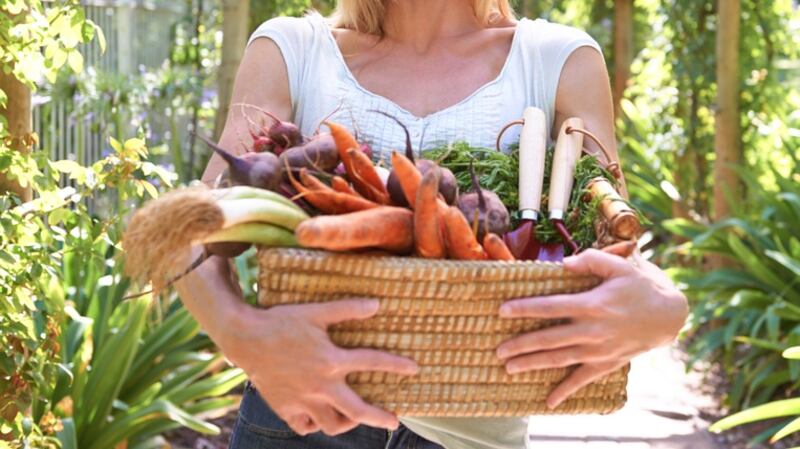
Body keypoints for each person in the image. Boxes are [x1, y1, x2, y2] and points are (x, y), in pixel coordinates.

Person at [174, 1, 689, 448]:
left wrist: (665, 310)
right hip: (301, 416)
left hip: (476, 433)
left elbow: (615, 241)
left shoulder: (558, 59)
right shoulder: (292, 49)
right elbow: (188, 231)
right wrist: (245, 337)